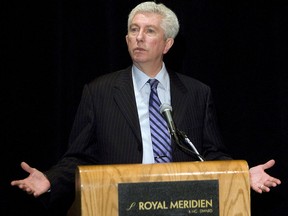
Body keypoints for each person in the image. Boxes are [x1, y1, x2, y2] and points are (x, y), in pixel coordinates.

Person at [11, 1, 281, 214]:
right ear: (127, 38)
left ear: (167, 44)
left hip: (184, 204)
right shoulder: (99, 91)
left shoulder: (197, 93)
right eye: (133, 29)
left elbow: (209, 154)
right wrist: (51, 179)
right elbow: (80, 156)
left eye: (149, 31)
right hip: (119, 204)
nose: (139, 37)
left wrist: (240, 174)